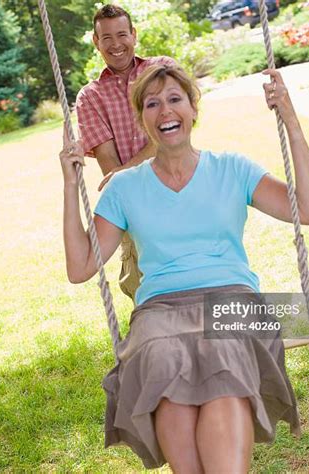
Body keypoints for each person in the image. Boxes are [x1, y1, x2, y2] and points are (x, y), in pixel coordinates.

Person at [60, 64, 309, 472]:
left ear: (192, 110)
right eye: (152, 103)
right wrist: (68, 182)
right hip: (160, 310)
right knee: (161, 358)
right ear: (142, 118)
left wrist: (289, 118)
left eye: (174, 99)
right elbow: (81, 268)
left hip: (230, 298)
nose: (165, 111)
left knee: (224, 352)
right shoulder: (124, 187)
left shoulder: (232, 169)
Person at [75, 4, 176, 302]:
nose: (116, 44)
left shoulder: (162, 69)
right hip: (134, 204)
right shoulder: (90, 97)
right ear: (96, 41)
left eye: (122, 34)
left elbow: (173, 132)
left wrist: (126, 168)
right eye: (106, 37)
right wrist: (132, 168)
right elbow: (110, 166)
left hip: (181, 184)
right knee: (146, 288)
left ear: (134, 34)